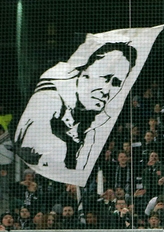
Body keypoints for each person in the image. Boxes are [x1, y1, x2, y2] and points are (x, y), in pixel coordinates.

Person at [16, 42, 138, 181]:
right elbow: (32, 140)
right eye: (105, 77)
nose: (106, 90)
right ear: (84, 71)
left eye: (116, 83)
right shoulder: (50, 95)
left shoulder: (95, 113)